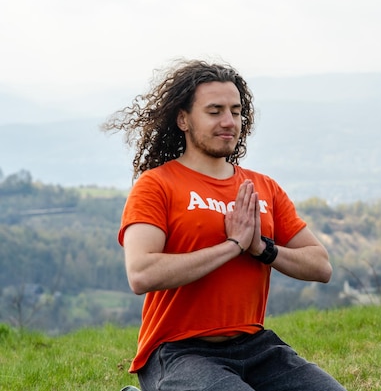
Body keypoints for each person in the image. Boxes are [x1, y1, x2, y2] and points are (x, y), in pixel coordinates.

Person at [103, 60, 346, 391]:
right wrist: (231, 247)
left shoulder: (264, 188)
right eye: (215, 111)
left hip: (255, 345)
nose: (229, 121)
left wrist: (261, 248)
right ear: (183, 119)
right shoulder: (157, 185)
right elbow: (141, 273)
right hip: (178, 350)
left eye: (235, 111)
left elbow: (321, 266)